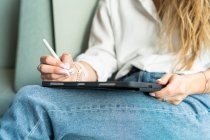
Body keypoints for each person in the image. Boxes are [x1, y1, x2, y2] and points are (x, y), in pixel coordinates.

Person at [1, 0, 210, 139]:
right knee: (31, 97)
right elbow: (101, 57)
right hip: (129, 89)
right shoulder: (116, 2)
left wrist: (191, 83)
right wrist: (74, 72)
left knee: (34, 105)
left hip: (190, 100)